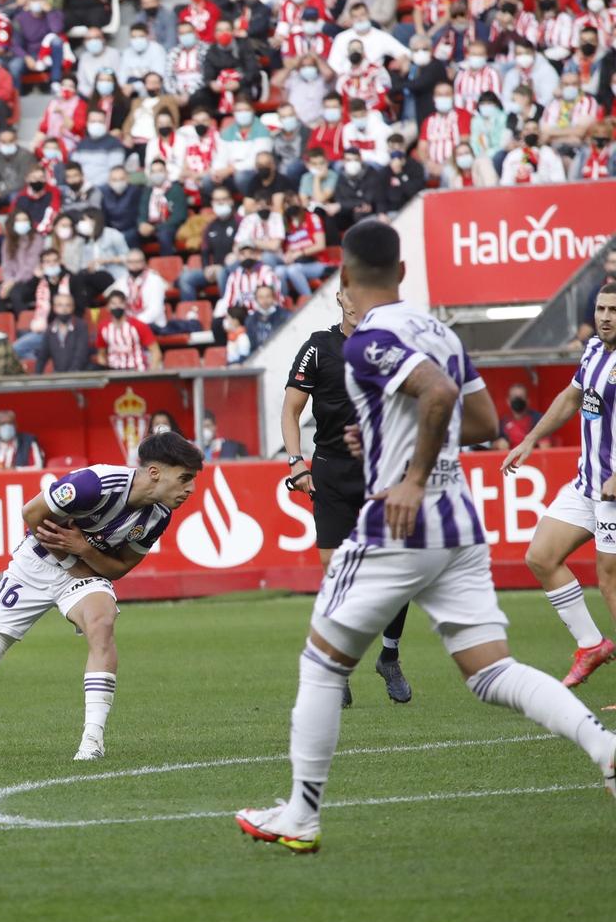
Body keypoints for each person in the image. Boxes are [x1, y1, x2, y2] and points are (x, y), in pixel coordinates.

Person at [236, 222, 616, 854]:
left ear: (347, 279)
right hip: (459, 523)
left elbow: (436, 394)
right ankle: (606, 748)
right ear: (404, 272)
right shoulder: (439, 331)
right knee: (491, 671)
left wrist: (409, 477)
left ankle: (300, 816)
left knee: (322, 664)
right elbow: (483, 420)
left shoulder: (362, 342)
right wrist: (390, 439)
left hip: (400, 524)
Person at [0, 432, 205, 763]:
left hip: (84, 573)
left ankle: (92, 740)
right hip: (34, 566)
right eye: (184, 479)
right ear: (156, 473)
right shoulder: (95, 483)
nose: (190, 489)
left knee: (102, 624)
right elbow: (31, 513)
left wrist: (83, 549)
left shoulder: (159, 516)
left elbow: (120, 568)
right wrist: (73, 558)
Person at [281, 300, 421, 707]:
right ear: (340, 298)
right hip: (331, 471)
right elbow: (291, 409)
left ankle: (389, 655)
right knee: (335, 573)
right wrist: (296, 463)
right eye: (349, 292)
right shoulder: (318, 346)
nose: (358, 301)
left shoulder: (393, 346)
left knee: (399, 566)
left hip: (385, 469)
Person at [498, 281, 616, 691]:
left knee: (610, 578)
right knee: (541, 556)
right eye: (601, 309)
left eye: (613, 310)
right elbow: (570, 397)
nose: (604, 317)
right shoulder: (594, 351)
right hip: (588, 485)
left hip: (615, 493)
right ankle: (592, 644)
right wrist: (529, 439)